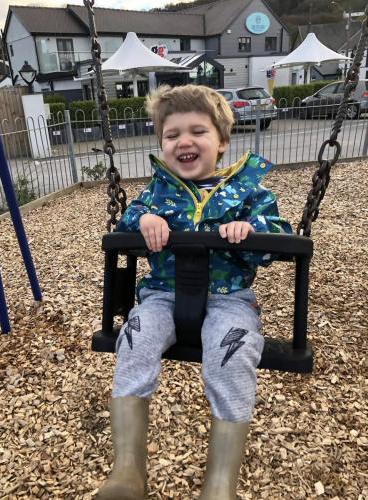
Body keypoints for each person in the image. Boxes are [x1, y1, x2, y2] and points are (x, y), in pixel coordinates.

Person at [97, 84, 292, 500]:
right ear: (163, 144)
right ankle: (128, 472)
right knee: (134, 342)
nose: (184, 141)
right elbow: (126, 224)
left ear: (221, 142)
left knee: (231, 356)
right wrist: (144, 219)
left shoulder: (249, 192)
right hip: (162, 295)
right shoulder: (156, 192)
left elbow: (279, 237)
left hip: (229, 299)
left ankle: (220, 484)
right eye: (172, 135)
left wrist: (252, 231)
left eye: (198, 132)